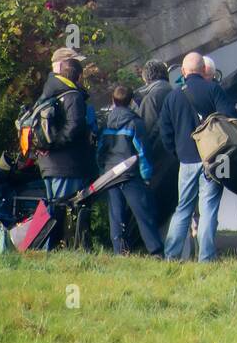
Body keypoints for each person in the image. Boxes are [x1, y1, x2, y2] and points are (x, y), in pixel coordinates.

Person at [158, 51, 237, 262]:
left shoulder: (172, 97)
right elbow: (229, 117)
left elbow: (164, 131)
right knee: (208, 210)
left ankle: (171, 256)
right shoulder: (214, 90)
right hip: (214, 159)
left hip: (186, 161)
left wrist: (178, 153)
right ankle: (206, 257)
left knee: (183, 208)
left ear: (182, 72)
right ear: (203, 71)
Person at [99, 85, 163, 256]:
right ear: (132, 101)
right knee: (143, 214)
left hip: (110, 174)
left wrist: (102, 171)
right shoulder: (136, 123)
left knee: (116, 215)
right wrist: (147, 176)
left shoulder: (106, 122)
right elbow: (143, 152)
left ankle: (120, 252)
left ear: (113, 100)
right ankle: (155, 251)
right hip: (130, 174)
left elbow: (100, 150)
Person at [33, 47, 98, 203]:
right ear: (63, 65)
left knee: (54, 216)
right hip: (67, 167)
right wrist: (55, 145)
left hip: (49, 165)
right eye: (74, 62)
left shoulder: (48, 92)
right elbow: (74, 125)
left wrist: (47, 148)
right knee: (68, 216)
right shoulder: (71, 94)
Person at [134, 59, 177, 229]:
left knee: (155, 203)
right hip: (173, 156)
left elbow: (147, 130)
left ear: (146, 77)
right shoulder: (172, 92)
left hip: (158, 158)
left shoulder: (152, 97)